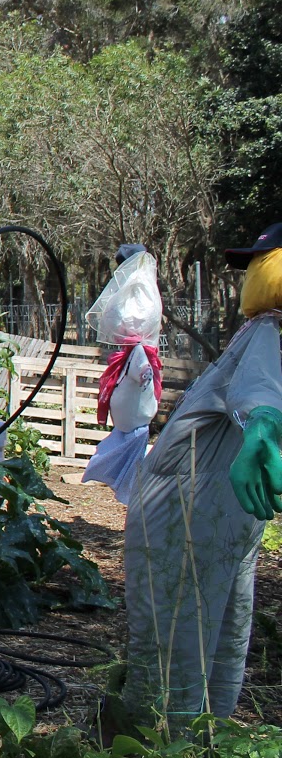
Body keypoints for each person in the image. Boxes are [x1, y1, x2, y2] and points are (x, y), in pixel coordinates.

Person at [119, 221, 282, 730]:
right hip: (184, 513)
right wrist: (263, 422)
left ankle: (206, 748)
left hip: (224, 516)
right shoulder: (269, 330)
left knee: (225, 633)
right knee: (177, 644)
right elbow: (260, 389)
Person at [80, 244, 164, 505]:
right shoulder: (135, 282)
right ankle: (117, 481)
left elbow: (135, 318)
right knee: (116, 450)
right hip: (130, 421)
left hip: (136, 420)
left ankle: (129, 492)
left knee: (129, 459)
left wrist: (145, 373)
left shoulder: (140, 284)